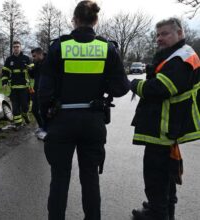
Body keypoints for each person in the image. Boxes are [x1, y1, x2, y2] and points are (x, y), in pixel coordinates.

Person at [38, 1, 129, 219]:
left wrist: (45, 123)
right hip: (93, 120)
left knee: (59, 178)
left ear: (75, 20)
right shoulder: (108, 48)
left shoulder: (58, 46)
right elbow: (121, 88)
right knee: (90, 178)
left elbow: (43, 93)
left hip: (61, 121)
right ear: (95, 20)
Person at [130, 17, 200, 220]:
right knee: (166, 178)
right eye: (157, 34)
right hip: (166, 127)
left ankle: (158, 213)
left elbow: (161, 88)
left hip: (164, 128)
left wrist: (134, 85)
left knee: (155, 179)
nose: (159, 38)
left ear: (180, 33)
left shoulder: (181, 58)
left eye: (165, 34)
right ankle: (159, 209)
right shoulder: (176, 55)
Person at [1, 40, 34, 128]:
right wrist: (4, 83)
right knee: (15, 108)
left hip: (24, 87)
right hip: (14, 88)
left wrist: (29, 68)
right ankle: (18, 124)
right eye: (14, 47)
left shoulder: (26, 58)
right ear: (12, 48)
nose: (16, 48)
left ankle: (25, 115)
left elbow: (33, 70)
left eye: (17, 47)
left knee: (25, 106)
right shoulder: (9, 60)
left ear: (20, 47)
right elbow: (5, 73)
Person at [29, 47, 47, 140]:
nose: (33, 58)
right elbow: (33, 75)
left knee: (44, 111)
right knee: (34, 110)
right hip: (36, 90)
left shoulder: (48, 62)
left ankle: (46, 130)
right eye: (32, 56)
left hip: (46, 91)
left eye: (34, 56)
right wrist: (29, 70)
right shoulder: (37, 63)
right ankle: (42, 127)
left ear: (40, 54)